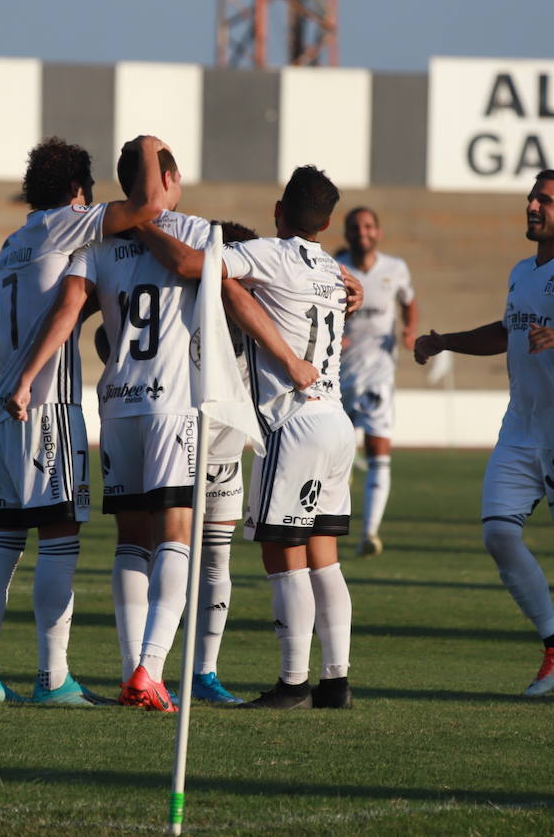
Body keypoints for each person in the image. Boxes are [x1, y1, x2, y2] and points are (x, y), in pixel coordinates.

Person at [8, 149, 312, 712]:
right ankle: (149, 670)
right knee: (178, 536)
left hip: (118, 408)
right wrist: (291, 359)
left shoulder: (95, 242)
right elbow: (235, 293)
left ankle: (131, 673)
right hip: (175, 406)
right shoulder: (197, 231)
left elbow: (69, 309)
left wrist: (26, 375)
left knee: (131, 541)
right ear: (169, 178)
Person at [134, 165, 361, 711]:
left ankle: (292, 684)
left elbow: (193, 264)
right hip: (337, 421)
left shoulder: (270, 253)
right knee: (323, 556)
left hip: (294, 418)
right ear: (328, 222)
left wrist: (140, 222)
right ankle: (336, 681)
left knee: (283, 553)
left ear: (279, 212)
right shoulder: (333, 268)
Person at [414, 170, 554, 702]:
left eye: (545, 198)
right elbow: (508, 330)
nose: (532, 205)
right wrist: (444, 340)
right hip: (520, 430)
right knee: (497, 533)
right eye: (531, 197)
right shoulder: (522, 271)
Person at [0, 135, 168, 707]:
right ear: (79, 191)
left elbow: (60, 304)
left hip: (6, 400)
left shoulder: (16, 239)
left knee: (2, 540)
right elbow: (149, 204)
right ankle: (54, 680)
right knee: (59, 538)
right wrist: (149, 147)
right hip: (47, 404)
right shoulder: (68, 223)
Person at [334, 207, 417, 558]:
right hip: (336, 375)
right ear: (347, 232)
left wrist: (409, 328)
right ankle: (331, 523)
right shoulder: (333, 266)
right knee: (335, 454)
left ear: (378, 232)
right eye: (355, 227)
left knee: (379, 451)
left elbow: (409, 302)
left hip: (378, 375)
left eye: (368, 226)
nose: (362, 232)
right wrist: (333, 332)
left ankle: (370, 532)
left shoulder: (395, 269)